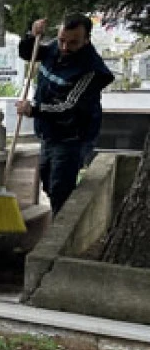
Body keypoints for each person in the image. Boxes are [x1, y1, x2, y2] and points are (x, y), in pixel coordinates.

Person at [17, 14, 114, 215]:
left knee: (60, 189)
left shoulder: (92, 70)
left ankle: (60, 230)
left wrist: (34, 110)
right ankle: (58, 218)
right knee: (48, 182)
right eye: (62, 40)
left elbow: (69, 107)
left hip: (73, 137)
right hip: (49, 132)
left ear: (86, 40)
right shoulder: (55, 47)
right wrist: (32, 35)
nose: (64, 47)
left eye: (73, 43)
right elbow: (28, 53)